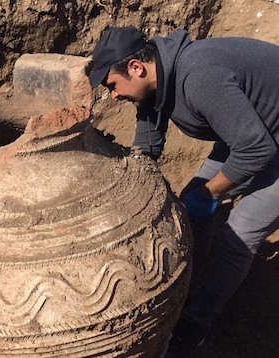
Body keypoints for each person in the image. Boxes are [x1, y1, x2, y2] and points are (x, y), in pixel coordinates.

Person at [86, 26, 279, 357]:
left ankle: (195, 325)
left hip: (264, 141)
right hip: (252, 129)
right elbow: (146, 146)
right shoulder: (157, 80)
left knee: (238, 234)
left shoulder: (198, 78)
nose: (113, 95)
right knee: (191, 202)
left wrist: (211, 194)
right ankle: (187, 287)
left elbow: (255, 149)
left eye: (113, 86)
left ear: (135, 68)